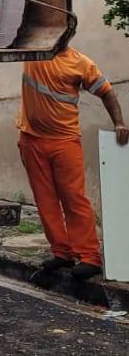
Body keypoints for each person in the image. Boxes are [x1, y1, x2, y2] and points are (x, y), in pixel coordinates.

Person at [17, 46, 128, 280]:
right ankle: (62, 253)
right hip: (31, 140)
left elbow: (106, 92)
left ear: (68, 31)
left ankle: (89, 257)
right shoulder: (33, 51)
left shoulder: (81, 63)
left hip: (64, 141)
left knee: (74, 198)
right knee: (45, 201)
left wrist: (119, 122)